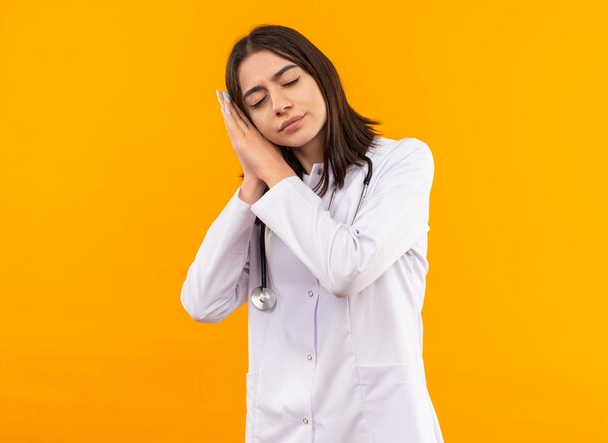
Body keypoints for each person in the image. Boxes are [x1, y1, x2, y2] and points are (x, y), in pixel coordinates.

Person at [180, 24, 444, 443]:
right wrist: (251, 184)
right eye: (258, 101)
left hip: (376, 426)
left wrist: (275, 174)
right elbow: (202, 301)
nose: (280, 105)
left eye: (289, 81)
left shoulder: (401, 162)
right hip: (282, 428)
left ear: (322, 76)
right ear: (247, 124)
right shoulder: (266, 201)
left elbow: (346, 270)